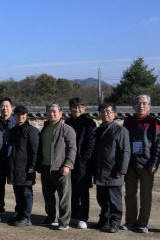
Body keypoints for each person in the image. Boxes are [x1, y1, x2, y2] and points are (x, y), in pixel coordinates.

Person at [122, 94, 160, 233]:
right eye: (138, 103)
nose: (141, 106)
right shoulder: (128, 121)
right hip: (130, 164)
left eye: (144, 103)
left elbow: (158, 146)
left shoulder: (154, 122)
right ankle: (130, 221)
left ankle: (143, 222)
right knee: (130, 194)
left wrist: (155, 163)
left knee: (146, 195)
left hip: (146, 164)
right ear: (133, 106)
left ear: (149, 106)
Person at [36, 103, 77, 230]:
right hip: (46, 167)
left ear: (60, 113)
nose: (51, 114)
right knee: (48, 195)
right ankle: (51, 217)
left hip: (60, 168)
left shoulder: (67, 129)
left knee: (64, 196)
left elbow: (72, 149)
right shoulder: (45, 128)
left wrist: (68, 165)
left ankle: (64, 220)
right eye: (49, 111)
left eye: (54, 111)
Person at [92, 103, 130, 233]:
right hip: (100, 169)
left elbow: (125, 151)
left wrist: (122, 169)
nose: (105, 114)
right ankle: (104, 219)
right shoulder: (98, 130)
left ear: (114, 114)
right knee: (101, 198)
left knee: (114, 198)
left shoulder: (120, 130)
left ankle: (115, 222)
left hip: (114, 170)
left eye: (108, 111)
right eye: (103, 111)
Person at [64, 97, 96, 230]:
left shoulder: (89, 123)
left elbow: (91, 144)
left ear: (84, 108)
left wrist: (83, 158)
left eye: (80, 107)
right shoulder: (67, 122)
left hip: (83, 162)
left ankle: (83, 217)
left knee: (83, 191)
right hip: (68, 161)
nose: (77, 110)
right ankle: (74, 215)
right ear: (70, 108)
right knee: (71, 190)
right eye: (74, 107)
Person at [7, 106, 39, 227]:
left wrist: (33, 166)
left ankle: (27, 217)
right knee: (18, 192)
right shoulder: (13, 131)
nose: (20, 116)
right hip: (14, 167)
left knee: (26, 193)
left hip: (26, 168)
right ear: (14, 116)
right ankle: (19, 213)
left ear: (26, 116)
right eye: (18, 114)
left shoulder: (32, 131)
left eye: (23, 114)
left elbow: (35, 151)